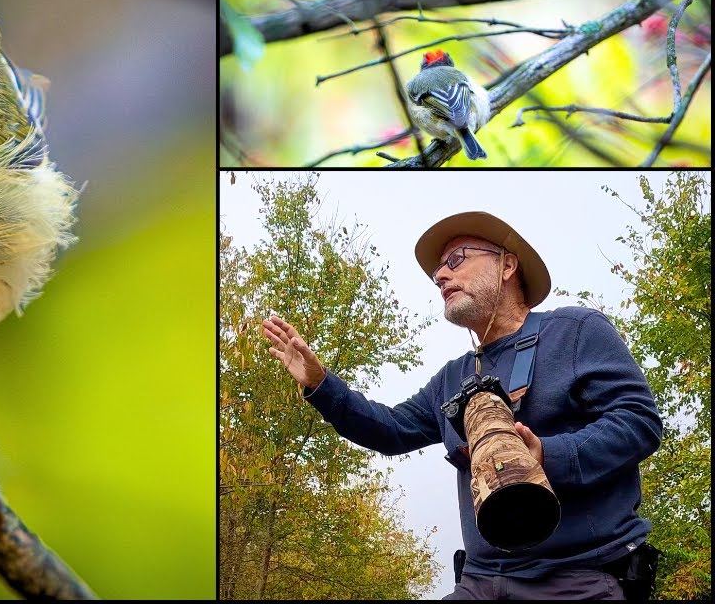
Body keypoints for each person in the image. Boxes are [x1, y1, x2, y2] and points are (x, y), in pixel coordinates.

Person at [262, 212, 662, 600]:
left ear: (507, 265)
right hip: (479, 582)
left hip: (577, 578)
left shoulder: (576, 331)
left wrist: (548, 454)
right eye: (438, 270)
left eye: (456, 260)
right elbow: (389, 430)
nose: (440, 276)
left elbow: (639, 421)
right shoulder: (450, 379)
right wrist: (320, 384)